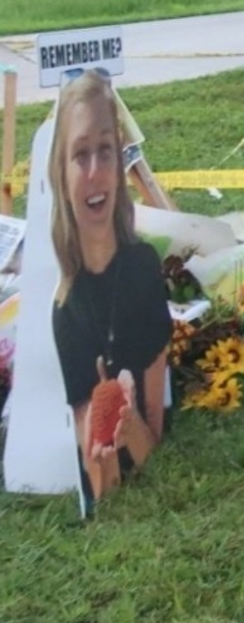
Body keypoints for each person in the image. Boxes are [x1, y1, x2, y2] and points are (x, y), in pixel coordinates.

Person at [49, 69, 171, 503]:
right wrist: (99, 446)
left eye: (106, 151)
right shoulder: (65, 309)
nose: (96, 171)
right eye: (81, 155)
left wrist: (129, 423)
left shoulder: (142, 272)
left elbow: (154, 448)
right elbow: (99, 486)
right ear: (60, 175)